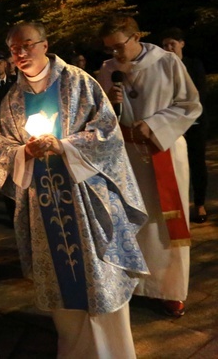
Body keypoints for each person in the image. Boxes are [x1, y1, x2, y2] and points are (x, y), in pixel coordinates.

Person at [0, 22, 150, 358]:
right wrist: (24, 153)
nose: (19, 54)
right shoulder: (12, 100)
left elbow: (107, 131)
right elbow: (0, 148)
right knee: (64, 288)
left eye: (25, 45)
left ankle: (114, 352)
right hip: (44, 203)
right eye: (12, 49)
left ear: (45, 45)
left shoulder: (78, 82)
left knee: (99, 278)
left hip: (85, 201)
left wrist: (64, 146)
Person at [98, 16, 202, 317]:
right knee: (135, 223)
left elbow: (191, 104)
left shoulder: (166, 62)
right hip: (127, 156)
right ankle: (139, 286)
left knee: (165, 224)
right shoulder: (107, 71)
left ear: (136, 37)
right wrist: (109, 101)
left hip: (163, 149)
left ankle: (171, 290)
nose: (116, 54)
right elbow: (101, 118)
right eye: (109, 49)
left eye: (120, 46)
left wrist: (155, 124)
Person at [161, 28, 209, 223]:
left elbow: (198, 94)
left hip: (195, 122)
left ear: (181, 43)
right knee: (175, 164)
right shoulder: (162, 68)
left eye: (172, 43)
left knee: (197, 163)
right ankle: (178, 206)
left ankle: (199, 204)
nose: (168, 48)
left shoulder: (193, 65)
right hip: (172, 124)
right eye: (165, 45)